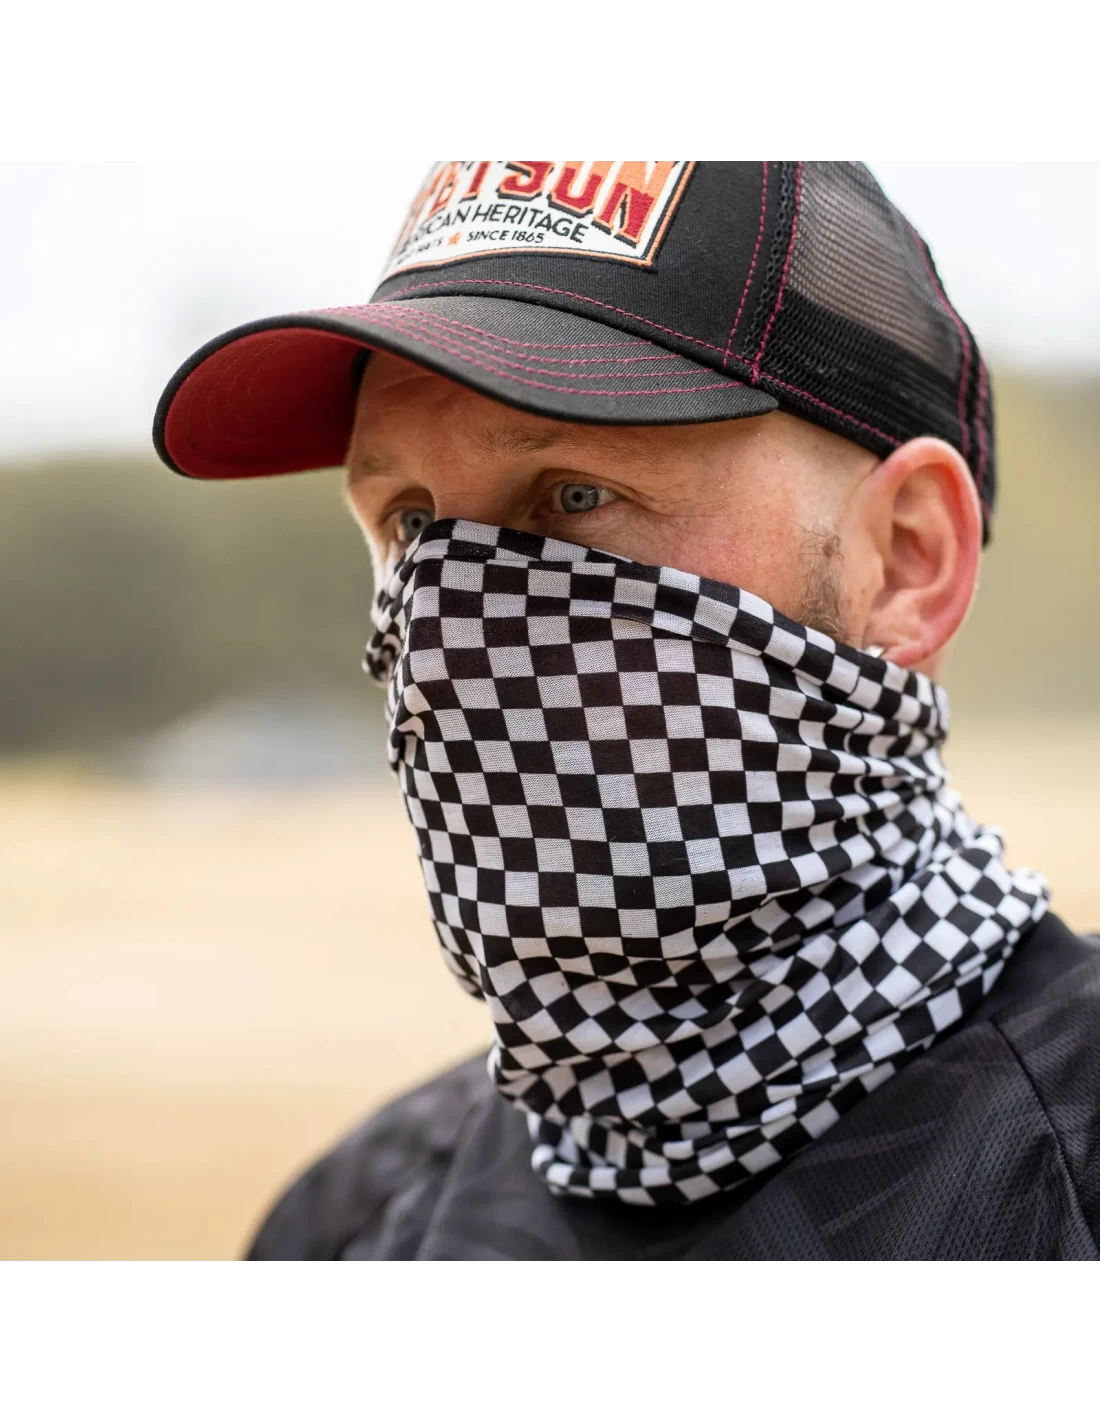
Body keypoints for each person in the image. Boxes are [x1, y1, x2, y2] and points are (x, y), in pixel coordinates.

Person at [154, 162, 1100, 1260]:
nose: (444, 637)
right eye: (408, 523)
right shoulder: (348, 1228)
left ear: (904, 560)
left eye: (575, 496)